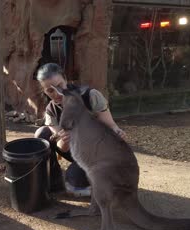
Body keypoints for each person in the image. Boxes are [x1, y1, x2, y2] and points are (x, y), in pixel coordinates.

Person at [34, 63, 126, 195]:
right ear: (44, 91)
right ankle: (54, 181)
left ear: (66, 79)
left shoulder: (91, 96)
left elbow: (111, 126)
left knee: (75, 179)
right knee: (41, 133)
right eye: (50, 90)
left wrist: (118, 133)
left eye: (59, 86)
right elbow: (63, 148)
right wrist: (65, 140)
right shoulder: (51, 111)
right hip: (77, 151)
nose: (57, 93)